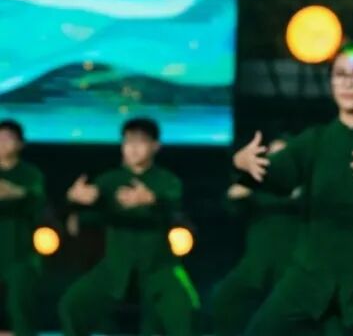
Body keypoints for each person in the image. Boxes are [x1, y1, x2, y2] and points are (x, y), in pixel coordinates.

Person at [232, 42, 353, 336]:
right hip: (312, 274)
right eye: (340, 74)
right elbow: (277, 177)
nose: (348, 83)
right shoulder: (315, 141)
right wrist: (245, 164)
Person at [59, 117, 198, 336]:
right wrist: (73, 200)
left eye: (140, 142)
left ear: (155, 146)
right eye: (128, 141)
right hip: (115, 266)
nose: (133, 148)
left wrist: (151, 200)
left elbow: (174, 207)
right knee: (72, 304)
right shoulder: (109, 180)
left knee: (183, 309)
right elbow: (82, 217)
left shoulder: (167, 181)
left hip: (158, 267)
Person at [211, 135, 302, 336]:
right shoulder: (258, 187)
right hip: (256, 268)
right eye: (273, 156)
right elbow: (231, 199)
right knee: (224, 298)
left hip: (292, 270)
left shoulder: (306, 187)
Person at [0, 119, 44, 336]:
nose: (1, 142)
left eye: (8, 138)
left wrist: (16, 192)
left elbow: (36, 199)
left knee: (21, 310)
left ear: (20, 144)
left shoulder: (30, 174)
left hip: (20, 253)